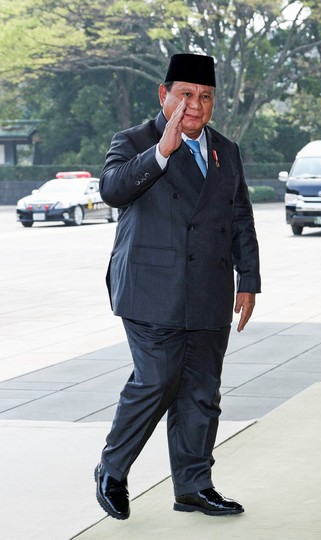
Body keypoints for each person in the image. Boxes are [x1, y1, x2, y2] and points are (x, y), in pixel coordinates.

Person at [94, 53, 261, 519]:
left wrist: (248, 278)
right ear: (164, 95)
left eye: (205, 96)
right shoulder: (133, 141)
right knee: (157, 379)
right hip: (150, 289)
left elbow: (240, 216)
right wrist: (161, 153)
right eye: (186, 94)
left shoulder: (225, 149)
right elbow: (112, 190)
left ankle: (193, 486)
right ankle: (113, 468)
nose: (196, 105)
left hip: (209, 288)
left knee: (202, 391)